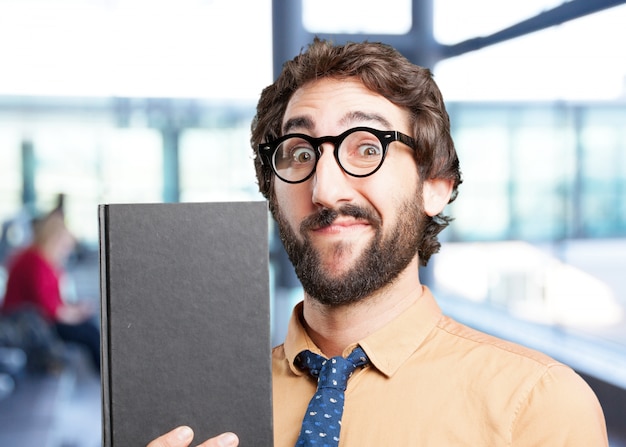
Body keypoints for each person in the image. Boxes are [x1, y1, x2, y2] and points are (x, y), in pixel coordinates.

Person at [148, 38, 608, 447]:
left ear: (435, 184)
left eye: (367, 148)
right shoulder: (196, 408)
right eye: (300, 152)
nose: (325, 190)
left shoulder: (537, 405)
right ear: (273, 193)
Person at [1, 208, 100, 373]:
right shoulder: (34, 261)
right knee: (89, 333)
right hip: (27, 323)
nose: (67, 251)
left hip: (40, 319)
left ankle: (107, 377)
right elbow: (48, 309)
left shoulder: (45, 261)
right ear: (53, 239)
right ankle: (110, 379)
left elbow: (54, 301)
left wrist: (76, 310)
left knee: (91, 328)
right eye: (65, 246)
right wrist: (76, 314)